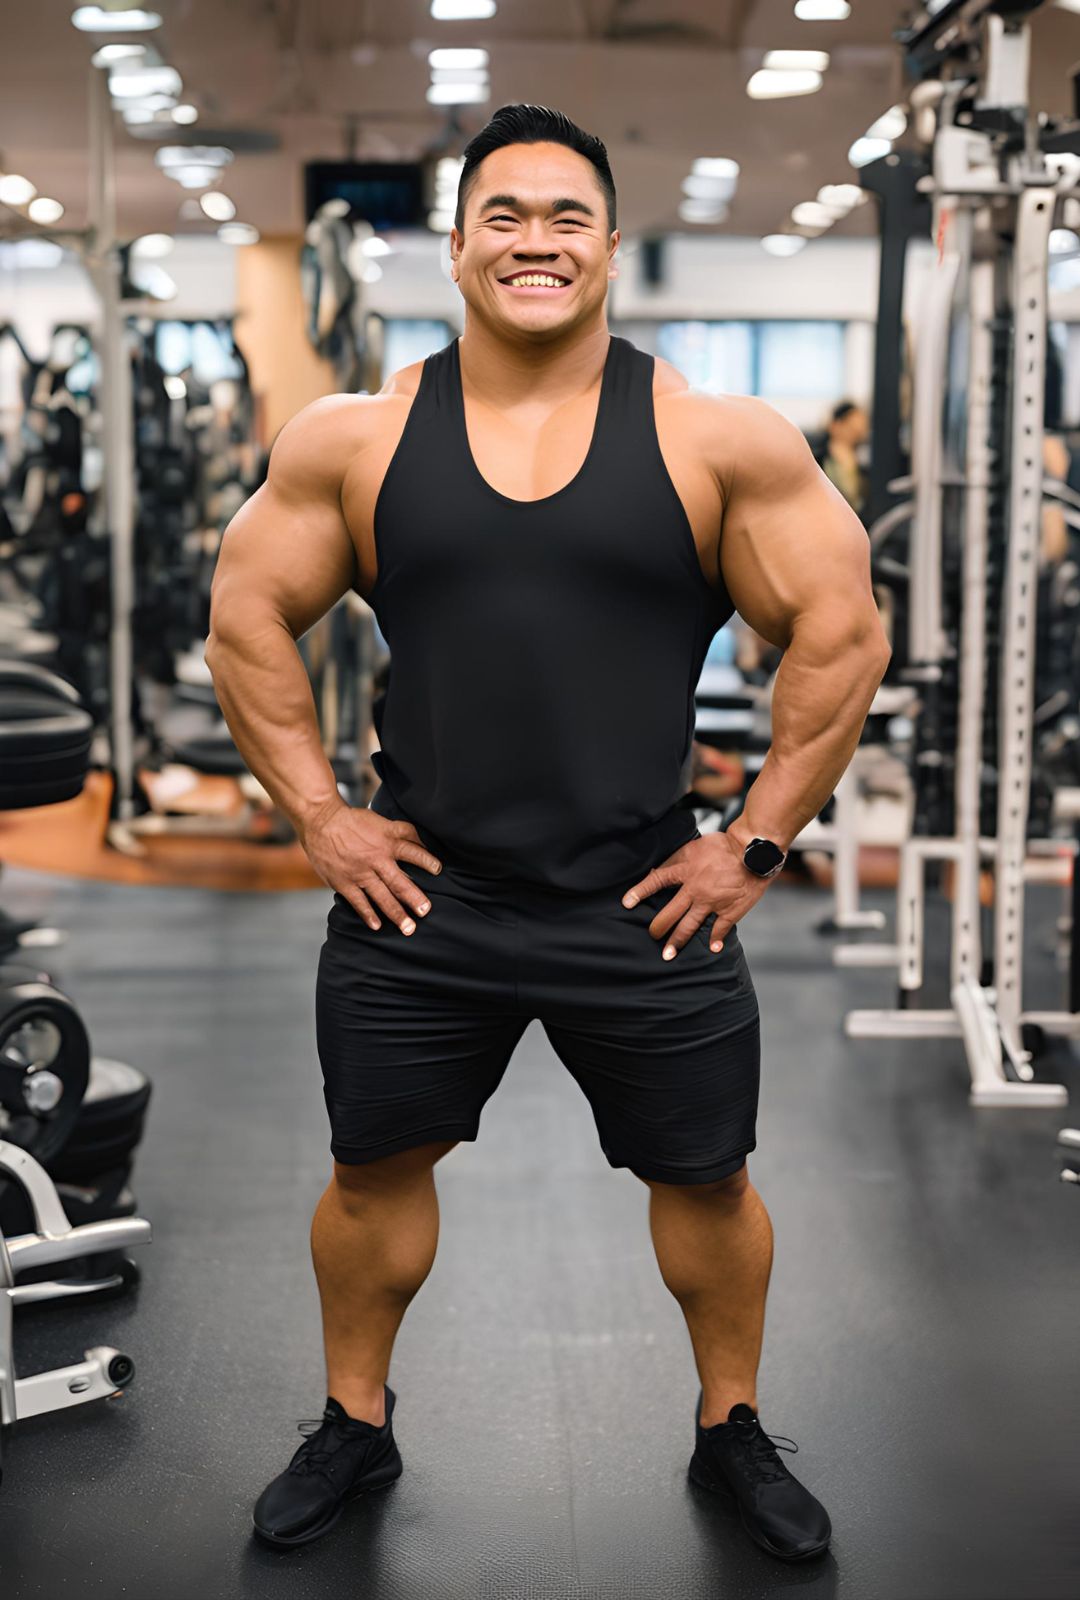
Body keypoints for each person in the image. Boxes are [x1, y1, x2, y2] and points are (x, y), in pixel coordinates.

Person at [205, 104, 890, 1561]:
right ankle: (354, 1423)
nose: (534, 239)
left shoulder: (717, 439)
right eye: (503, 214)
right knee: (371, 1176)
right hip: (422, 899)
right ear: (457, 246)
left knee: (706, 1182)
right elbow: (244, 615)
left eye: (565, 216)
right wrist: (320, 818)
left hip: (647, 898)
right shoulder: (361, 438)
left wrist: (753, 846)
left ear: (609, 247)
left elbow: (840, 631)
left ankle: (731, 1431)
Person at [818, 399, 870, 519]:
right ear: (835, 426)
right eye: (851, 427)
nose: (856, 433)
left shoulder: (863, 464)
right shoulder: (818, 462)